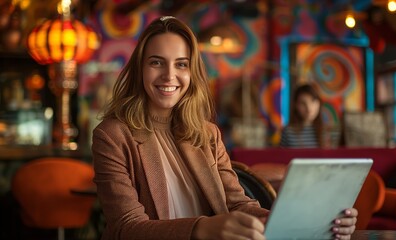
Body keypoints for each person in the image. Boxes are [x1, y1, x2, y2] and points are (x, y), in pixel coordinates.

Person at [92, 16, 358, 240]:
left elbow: (238, 204)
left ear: (192, 72)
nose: (169, 75)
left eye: (181, 64)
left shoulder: (207, 134)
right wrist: (203, 228)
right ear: (140, 69)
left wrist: (313, 222)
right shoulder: (112, 136)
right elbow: (126, 228)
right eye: (156, 62)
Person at [280, 83, 325, 148]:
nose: (309, 108)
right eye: (303, 103)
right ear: (296, 105)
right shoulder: (288, 132)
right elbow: (282, 157)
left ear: (319, 103)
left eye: (313, 101)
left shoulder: (327, 131)